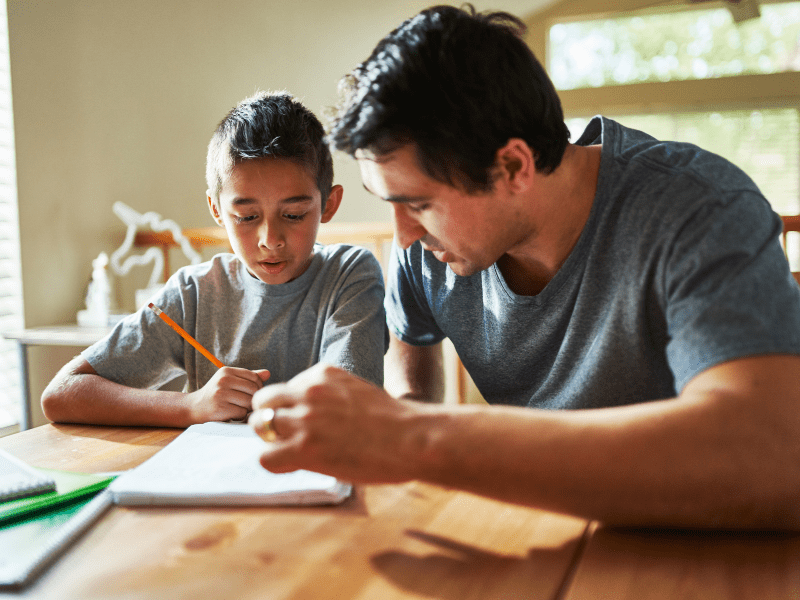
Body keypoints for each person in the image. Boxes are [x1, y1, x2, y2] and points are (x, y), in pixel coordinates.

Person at [248, 5, 800, 529]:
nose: (404, 236)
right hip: (533, 530)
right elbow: (410, 349)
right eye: (388, 203)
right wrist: (406, 415)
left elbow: (767, 451)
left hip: (696, 544)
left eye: (417, 204)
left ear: (513, 165)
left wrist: (416, 435)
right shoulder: (427, 251)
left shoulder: (699, 209)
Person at [41, 91, 387, 427]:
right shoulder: (194, 293)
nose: (270, 241)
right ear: (217, 211)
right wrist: (190, 406)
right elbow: (61, 393)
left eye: (294, 214)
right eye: (247, 217)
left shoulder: (350, 275)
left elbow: (351, 403)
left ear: (328, 205)